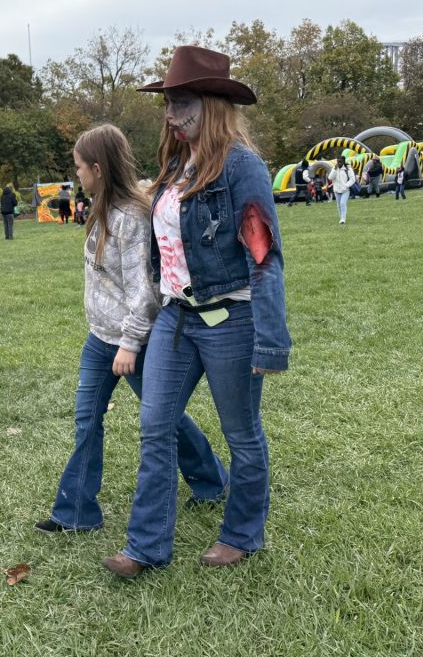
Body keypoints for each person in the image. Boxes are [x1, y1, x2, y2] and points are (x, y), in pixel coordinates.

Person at [102, 46, 290, 578]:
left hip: (233, 320)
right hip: (176, 318)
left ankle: (241, 534)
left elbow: (263, 256)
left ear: (212, 104)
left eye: (181, 103)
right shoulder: (174, 167)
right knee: (155, 426)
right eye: (167, 103)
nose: (170, 114)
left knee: (242, 433)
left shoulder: (242, 167)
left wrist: (270, 339)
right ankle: (145, 547)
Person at [36, 124, 227, 535]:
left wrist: (129, 344)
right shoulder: (101, 210)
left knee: (166, 420)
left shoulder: (131, 219)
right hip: (99, 338)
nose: (77, 175)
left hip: (134, 343)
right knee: (87, 420)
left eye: (79, 167)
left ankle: (212, 480)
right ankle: (76, 512)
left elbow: (146, 291)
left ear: (98, 169)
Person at [328, 156, 356, 224]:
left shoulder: (348, 169)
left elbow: (353, 179)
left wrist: (346, 185)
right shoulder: (334, 168)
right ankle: (341, 218)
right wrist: (334, 169)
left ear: (343, 161)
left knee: (342, 203)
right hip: (336, 190)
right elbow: (330, 178)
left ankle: (343, 219)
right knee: (338, 205)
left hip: (345, 190)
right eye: (338, 162)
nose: (339, 163)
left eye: (340, 162)